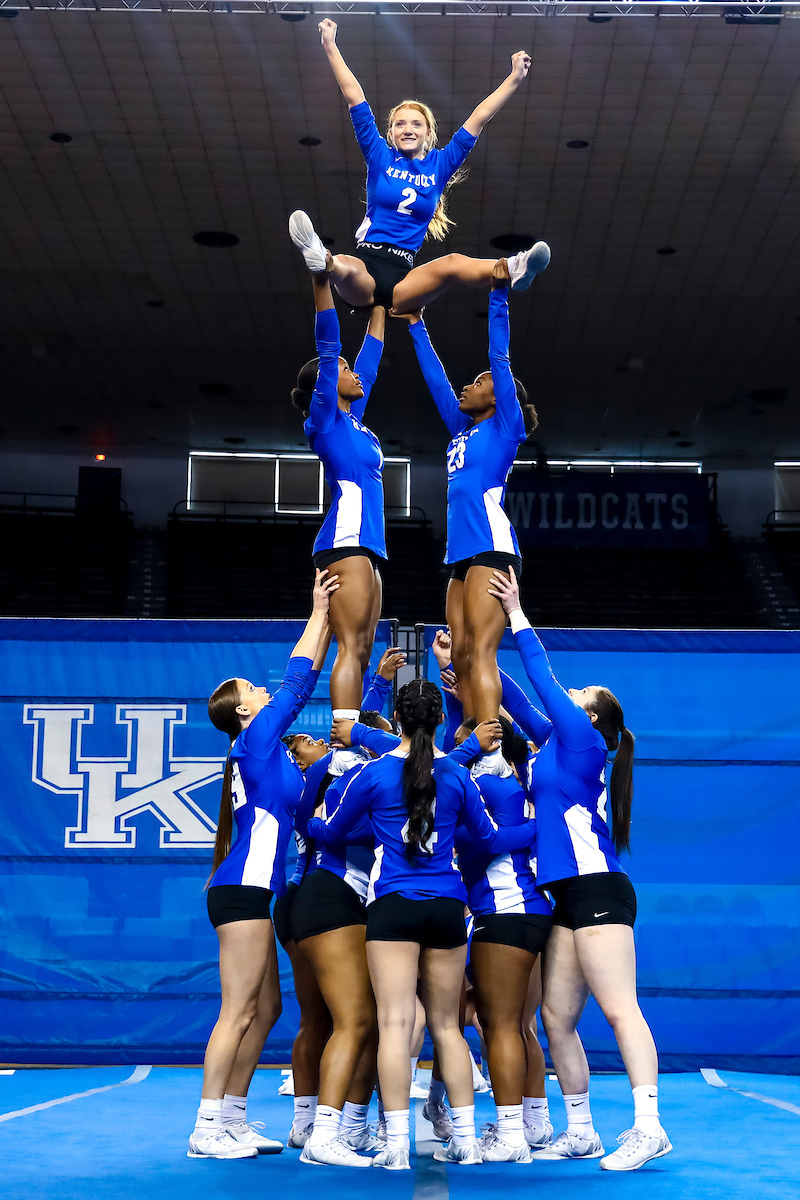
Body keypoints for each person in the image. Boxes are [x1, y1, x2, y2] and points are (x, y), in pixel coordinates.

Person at [308, 679, 538, 1170]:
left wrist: (305, 822)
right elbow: (491, 837)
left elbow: (333, 829)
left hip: (393, 904)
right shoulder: (456, 776)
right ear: (438, 721)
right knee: (447, 1028)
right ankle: (467, 1141)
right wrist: (547, 824)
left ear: (399, 717)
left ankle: (395, 1146)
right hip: (447, 907)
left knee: (394, 1025)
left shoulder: (372, 775)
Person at [488, 568, 672, 1172]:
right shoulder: (554, 749)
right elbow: (518, 697)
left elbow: (541, 681)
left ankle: (649, 1127)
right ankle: (583, 1130)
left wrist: (515, 613)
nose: (570, 696)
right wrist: (472, 660)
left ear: (592, 720)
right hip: (562, 896)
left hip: (598, 890)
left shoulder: (587, 745)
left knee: (621, 1008)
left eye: (580, 695)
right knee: (556, 1018)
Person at [189, 569, 337, 1161]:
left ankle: (233, 1117)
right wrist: (319, 613)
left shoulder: (269, 756)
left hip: (255, 891)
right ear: (243, 709)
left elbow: (305, 812)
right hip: (242, 892)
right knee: (239, 1009)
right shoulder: (251, 744)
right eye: (254, 688)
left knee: (268, 1008)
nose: (264, 692)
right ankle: (205, 1127)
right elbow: (300, 682)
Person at [289, 19, 549, 313]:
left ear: (428, 133)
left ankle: (515, 266)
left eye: (416, 124)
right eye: (399, 124)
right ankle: (320, 256)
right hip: (367, 264)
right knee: (344, 267)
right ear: (390, 134)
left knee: (452, 264)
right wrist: (330, 45)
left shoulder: (440, 164)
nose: (407, 129)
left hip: (405, 277)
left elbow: (479, 118)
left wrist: (514, 77)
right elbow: (355, 97)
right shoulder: (379, 156)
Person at [275, 649, 404, 1153]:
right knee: (354, 1018)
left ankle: (315, 1123)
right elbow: (359, 739)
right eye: (304, 743)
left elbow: (359, 730)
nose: (316, 744)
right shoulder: (326, 775)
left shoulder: (336, 772)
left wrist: (378, 685)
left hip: (314, 900)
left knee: (325, 1020)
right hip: (327, 897)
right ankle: (331, 1128)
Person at [404, 265, 537, 734]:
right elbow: (438, 383)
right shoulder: (463, 431)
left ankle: (492, 749)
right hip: (461, 557)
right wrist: (416, 325)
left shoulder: (506, 429)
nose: (468, 385)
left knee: (480, 650)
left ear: (498, 398)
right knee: (459, 654)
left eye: (478, 383)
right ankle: (477, 731)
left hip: (492, 550)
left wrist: (500, 294)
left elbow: (499, 360)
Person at [290, 254, 386, 761]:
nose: (352, 370)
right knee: (349, 646)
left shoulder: (355, 420)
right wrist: (319, 280)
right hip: (344, 542)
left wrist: (381, 302)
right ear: (325, 386)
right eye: (343, 370)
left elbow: (368, 355)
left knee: (363, 651)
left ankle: (351, 737)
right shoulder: (325, 419)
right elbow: (331, 349)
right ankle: (344, 744)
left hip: (367, 544)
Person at [449, 716, 553, 1162]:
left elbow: (481, 843)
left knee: (501, 1027)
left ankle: (510, 1137)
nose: (460, 747)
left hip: (504, 911)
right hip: (532, 911)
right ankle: (533, 1123)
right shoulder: (522, 776)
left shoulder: (485, 786)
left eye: (467, 741)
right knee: (523, 1026)